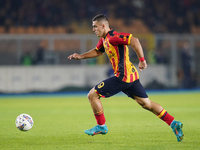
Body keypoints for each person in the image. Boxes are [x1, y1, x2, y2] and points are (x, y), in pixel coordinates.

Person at [67, 14, 184, 142]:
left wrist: (142, 60)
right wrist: (81, 56)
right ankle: (173, 123)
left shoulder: (113, 37)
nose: (93, 29)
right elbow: (98, 51)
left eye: (95, 27)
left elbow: (135, 41)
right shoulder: (104, 39)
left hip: (122, 77)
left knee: (92, 95)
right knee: (147, 104)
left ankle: (101, 126)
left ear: (103, 26)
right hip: (131, 76)